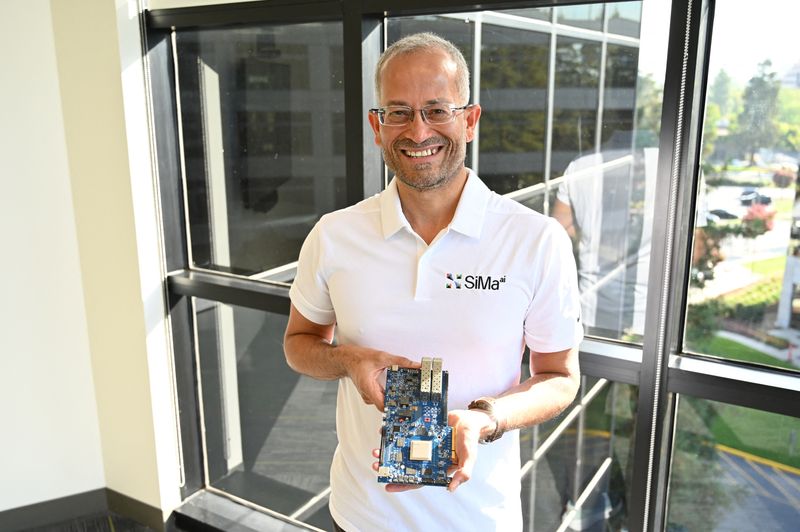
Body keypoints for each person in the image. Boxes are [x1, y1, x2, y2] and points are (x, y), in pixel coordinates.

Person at [284, 32, 583, 531]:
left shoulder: (537, 240)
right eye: (398, 111)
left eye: (437, 110)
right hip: (359, 516)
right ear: (376, 126)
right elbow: (299, 344)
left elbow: (560, 377)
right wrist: (347, 360)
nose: (418, 131)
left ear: (469, 119)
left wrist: (486, 418)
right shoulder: (334, 235)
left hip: (479, 519)